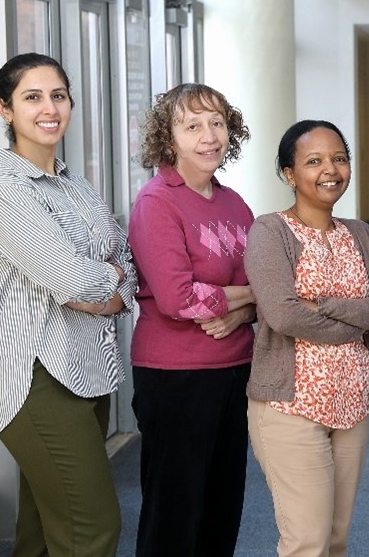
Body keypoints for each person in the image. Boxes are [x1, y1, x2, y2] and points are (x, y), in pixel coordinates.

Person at [0, 53, 136, 556]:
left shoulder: (76, 186)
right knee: (92, 529)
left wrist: (106, 287)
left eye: (58, 96)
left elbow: (125, 263)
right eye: (32, 97)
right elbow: (71, 279)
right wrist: (103, 283)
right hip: (33, 376)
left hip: (88, 369)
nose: (49, 108)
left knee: (44, 533)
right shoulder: (3, 192)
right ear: (5, 109)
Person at [245, 120, 369, 556]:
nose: (330, 169)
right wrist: (356, 316)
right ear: (290, 174)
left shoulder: (361, 234)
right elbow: (281, 314)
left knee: (334, 540)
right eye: (314, 161)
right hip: (289, 408)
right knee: (306, 542)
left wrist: (322, 304)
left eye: (339, 158)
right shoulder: (269, 232)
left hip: (352, 407)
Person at [128, 83, 257, 556]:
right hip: (175, 376)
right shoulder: (157, 201)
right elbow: (177, 298)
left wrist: (237, 304)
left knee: (223, 510)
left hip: (235, 370)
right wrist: (243, 301)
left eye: (218, 123)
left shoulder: (234, 203)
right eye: (192, 126)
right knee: (174, 516)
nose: (209, 136)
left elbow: (266, 290)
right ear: (169, 137)